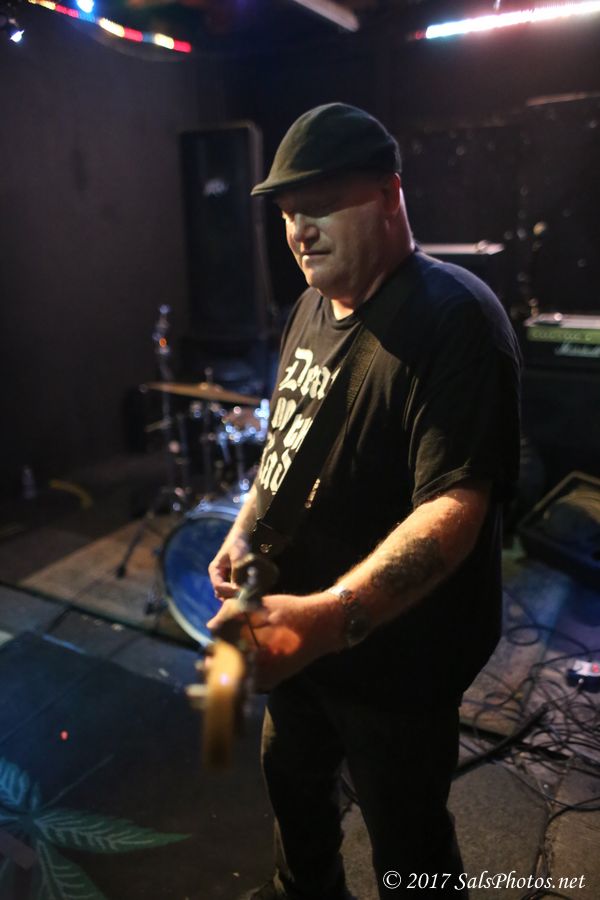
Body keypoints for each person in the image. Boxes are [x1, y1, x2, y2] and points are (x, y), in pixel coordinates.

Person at [207, 103, 521, 900]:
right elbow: (287, 440)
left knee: (409, 848)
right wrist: (245, 528)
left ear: (389, 195)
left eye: (318, 206)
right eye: (287, 213)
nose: (299, 232)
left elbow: (454, 511)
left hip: (395, 663)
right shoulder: (309, 308)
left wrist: (326, 618)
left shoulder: (454, 317)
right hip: (302, 641)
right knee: (297, 808)